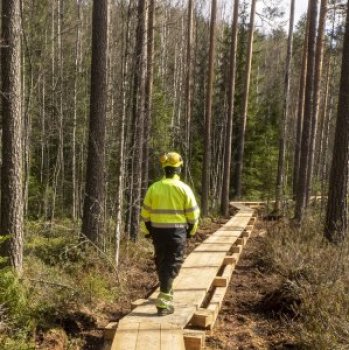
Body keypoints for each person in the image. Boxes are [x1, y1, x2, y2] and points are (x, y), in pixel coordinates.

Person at [140, 152, 200, 316]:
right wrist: (191, 231)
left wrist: (147, 231)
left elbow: (145, 213)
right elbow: (193, 215)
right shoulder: (184, 189)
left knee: (162, 261)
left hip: (158, 233)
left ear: (164, 168)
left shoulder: (154, 188)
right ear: (179, 168)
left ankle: (166, 291)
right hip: (176, 232)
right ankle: (163, 304)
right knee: (172, 264)